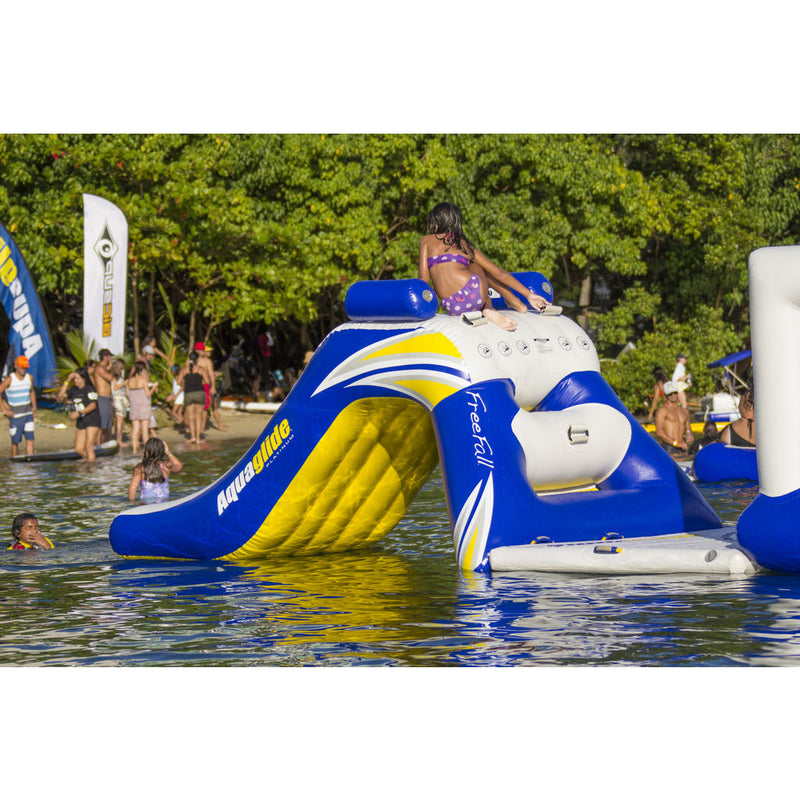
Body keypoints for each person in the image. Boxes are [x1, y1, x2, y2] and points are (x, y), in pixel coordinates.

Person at [418, 202, 550, 332]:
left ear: (436, 223)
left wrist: (422, 306)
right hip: (474, 294)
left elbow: (423, 278)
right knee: (478, 265)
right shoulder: (463, 245)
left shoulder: (426, 241)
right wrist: (529, 294)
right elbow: (499, 273)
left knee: (474, 268)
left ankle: (497, 307)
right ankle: (500, 305)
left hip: (451, 305)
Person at [57, 367, 102, 460]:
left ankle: (91, 466)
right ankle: (90, 462)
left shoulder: (89, 389)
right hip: (81, 420)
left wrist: (79, 413)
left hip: (92, 419)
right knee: (79, 449)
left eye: (78, 378)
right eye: (75, 379)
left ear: (84, 379)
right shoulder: (74, 390)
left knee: (89, 447)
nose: (75, 381)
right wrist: (67, 380)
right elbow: (60, 396)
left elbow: (93, 405)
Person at [0, 354, 36, 457]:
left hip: (28, 413)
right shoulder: (10, 379)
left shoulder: (29, 378)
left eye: (25, 367)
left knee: (30, 439)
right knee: (15, 441)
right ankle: (15, 461)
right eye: (21, 367)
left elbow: (32, 391)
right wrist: (4, 410)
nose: (23, 369)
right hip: (15, 415)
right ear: (16, 366)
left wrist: (34, 407)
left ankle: (30, 460)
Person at [128, 436, 183, 503]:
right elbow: (179, 467)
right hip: (163, 503)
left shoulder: (140, 468)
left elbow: (133, 488)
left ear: (145, 451)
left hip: (146, 504)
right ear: (162, 451)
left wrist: (133, 503)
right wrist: (168, 452)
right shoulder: (166, 465)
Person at [654, 381, 694, 456]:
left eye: (675, 393)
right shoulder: (662, 411)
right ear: (665, 395)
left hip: (683, 447)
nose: (673, 395)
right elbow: (659, 432)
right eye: (670, 394)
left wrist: (690, 436)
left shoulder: (684, 411)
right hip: (669, 448)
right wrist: (676, 443)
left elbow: (688, 429)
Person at [126, 360, 157, 453]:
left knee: (135, 429)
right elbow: (148, 394)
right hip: (144, 406)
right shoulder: (143, 380)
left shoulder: (129, 381)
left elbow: (128, 394)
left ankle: (134, 449)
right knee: (145, 431)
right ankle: (146, 451)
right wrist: (154, 387)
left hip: (134, 407)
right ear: (142, 370)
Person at [177, 351, 206, 443]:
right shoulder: (200, 369)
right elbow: (207, 381)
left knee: (190, 416)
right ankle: (198, 438)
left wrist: (185, 383)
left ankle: (192, 437)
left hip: (189, 393)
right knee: (198, 416)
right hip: (199, 393)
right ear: (197, 359)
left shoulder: (184, 370)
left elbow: (178, 382)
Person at [90, 348, 115, 443]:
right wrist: (112, 368)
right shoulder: (99, 368)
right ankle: (98, 444)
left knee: (107, 424)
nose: (111, 358)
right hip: (102, 399)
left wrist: (110, 367)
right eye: (110, 357)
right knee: (102, 424)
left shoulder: (103, 369)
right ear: (105, 357)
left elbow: (107, 371)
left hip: (107, 399)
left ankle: (104, 442)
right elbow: (110, 378)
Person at [111, 358, 129, 447]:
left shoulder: (120, 376)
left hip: (121, 398)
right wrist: (124, 383)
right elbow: (115, 388)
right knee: (119, 420)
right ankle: (118, 439)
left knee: (120, 420)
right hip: (117, 398)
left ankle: (118, 438)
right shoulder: (114, 376)